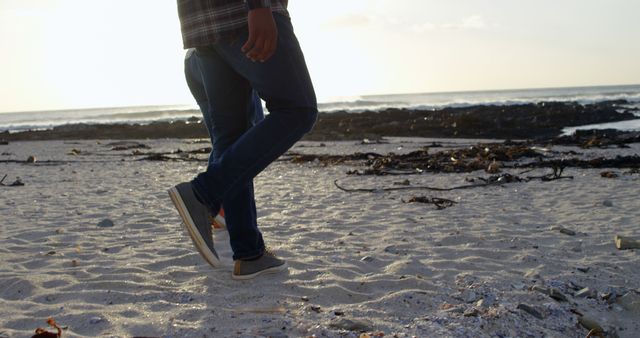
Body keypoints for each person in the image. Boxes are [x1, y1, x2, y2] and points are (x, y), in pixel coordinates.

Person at [168, 0, 318, 280]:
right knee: (298, 109)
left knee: (231, 135)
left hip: (200, 25)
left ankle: (249, 253)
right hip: (242, 12)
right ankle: (203, 193)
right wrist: (258, 6)